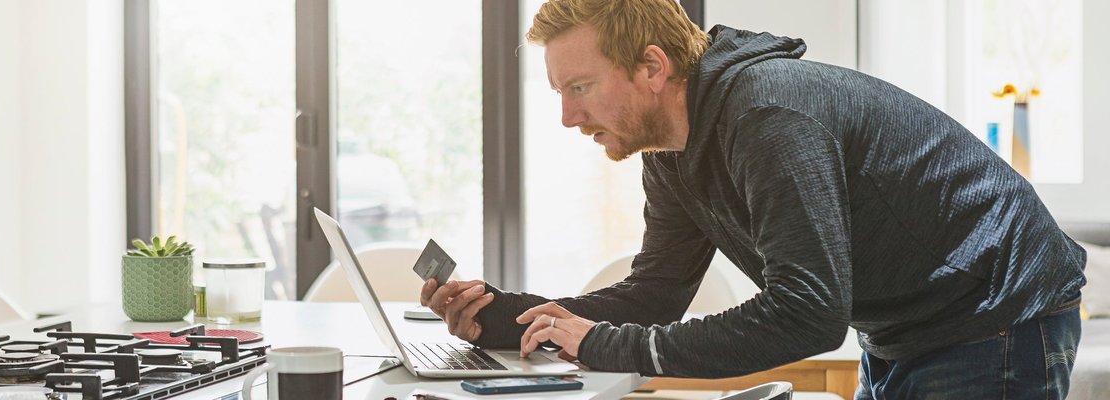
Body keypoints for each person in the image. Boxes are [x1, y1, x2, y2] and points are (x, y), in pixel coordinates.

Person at [420, 0, 1087, 398]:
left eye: (581, 88)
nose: (569, 117)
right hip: (910, 329)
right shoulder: (670, 151)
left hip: (996, 312)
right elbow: (654, 295)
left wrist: (609, 346)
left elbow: (808, 315)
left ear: (651, 67)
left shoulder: (767, 118)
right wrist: (508, 320)